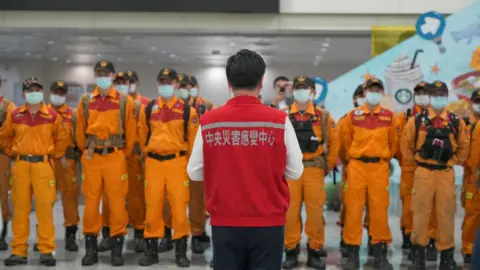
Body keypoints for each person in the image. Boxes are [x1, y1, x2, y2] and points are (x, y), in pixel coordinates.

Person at [187, 49, 304, 269]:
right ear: (261, 82)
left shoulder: (209, 121)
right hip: (268, 222)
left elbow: (194, 171)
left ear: (229, 84)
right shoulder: (279, 120)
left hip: (225, 222)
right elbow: (296, 171)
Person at [400, 81, 469, 270]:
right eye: (435, 94)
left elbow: (464, 146)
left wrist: (452, 160)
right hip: (423, 173)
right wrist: (418, 162)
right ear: (430, 97)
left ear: (446, 97)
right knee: (421, 213)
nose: (439, 98)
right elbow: (405, 146)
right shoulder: (416, 121)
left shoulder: (456, 121)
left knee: (446, 214)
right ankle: (418, 254)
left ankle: (446, 255)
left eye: (442, 94)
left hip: (445, 173)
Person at [1, 77, 68, 266]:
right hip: (21, 166)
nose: (34, 93)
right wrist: (13, 153)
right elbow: (4, 137)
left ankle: (46, 250)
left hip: (43, 167)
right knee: (20, 209)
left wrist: (53, 155)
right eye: (30, 90)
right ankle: (18, 251)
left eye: (38, 89)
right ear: (24, 94)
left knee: (45, 209)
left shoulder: (52, 116)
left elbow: (62, 139)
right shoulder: (14, 115)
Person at [76, 60, 136, 267]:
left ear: (112, 75)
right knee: (91, 203)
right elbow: (79, 133)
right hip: (92, 158)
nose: (103, 76)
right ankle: (90, 249)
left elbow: (131, 131)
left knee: (117, 202)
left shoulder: (123, 101)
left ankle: (116, 248)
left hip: (115, 157)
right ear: (95, 76)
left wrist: (120, 153)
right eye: (99, 73)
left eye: (106, 73)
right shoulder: (86, 101)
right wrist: (89, 150)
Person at [137, 68, 199, 267]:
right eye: (162, 82)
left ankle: (181, 251)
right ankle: (151, 250)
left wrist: (188, 165)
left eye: (169, 82)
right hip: (154, 163)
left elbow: (193, 140)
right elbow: (142, 134)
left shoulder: (188, 110)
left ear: (177, 85)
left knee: (179, 207)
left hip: (177, 163)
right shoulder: (148, 109)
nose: (165, 86)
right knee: (153, 206)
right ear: (158, 84)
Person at [281, 76, 339, 270]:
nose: (301, 92)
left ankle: (315, 251)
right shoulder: (284, 115)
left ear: (313, 92)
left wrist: (327, 166)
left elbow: (334, 142)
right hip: (291, 171)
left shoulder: (323, 116)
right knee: (290, 212)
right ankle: (291, 250)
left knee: (315, 212)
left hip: (314, 168)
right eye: (298, 88)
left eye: (305, 88)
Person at [340, 78, 397, 270]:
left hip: (379, 168)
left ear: (381, 93)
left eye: (377, 90)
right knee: (354, 210)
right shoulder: (353, 116)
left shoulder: (389, 117)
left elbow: (393, 143)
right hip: (357, 167)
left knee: (379, 211)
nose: (374, 93)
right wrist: (355, 159)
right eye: (371, 90)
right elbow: (346, 141)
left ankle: (380, 254)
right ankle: (352, 254)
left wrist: (381, 160)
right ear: (364, 93)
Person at [98, 71, 147, 253]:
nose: (122, 85)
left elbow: (144, 131)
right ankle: (108, 234)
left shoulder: (143, 104)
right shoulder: (111, 102)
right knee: (109, 197)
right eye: (117, 82)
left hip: (133, 156)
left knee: (135, 197)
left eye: (126, 82)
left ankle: (140, 234)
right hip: (112, 155)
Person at [396, 82, 438, 260]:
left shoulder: (438, 118)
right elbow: (398, 143)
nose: (422, 96)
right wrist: (406, 161)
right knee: (410, 205)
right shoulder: (405, 117)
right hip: (410, 168)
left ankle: (431, 239)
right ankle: (410, 236)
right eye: (419, 93)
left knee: (431, 206)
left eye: (425, 93)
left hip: (431, 169)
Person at [48, 80, 80, 252]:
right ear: (50, 92)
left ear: (66, 94)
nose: (58, 95)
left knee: (70, 200)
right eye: (56, 92)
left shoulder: (72, 115)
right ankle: (43, 237)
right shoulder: (42, 112)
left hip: (67, 163)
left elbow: (78, 139)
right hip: (46, 163)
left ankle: (71, 236)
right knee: (45, 200)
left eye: (61, 92)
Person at [337, 84, 365, 257]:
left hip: (374, 171)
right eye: (362, 95)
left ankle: (374, 239)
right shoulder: (346, 119)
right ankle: (347, 239)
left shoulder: (383, 118)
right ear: (355, 99)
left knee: (374, 206)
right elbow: (340, 145)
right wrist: (350, 162)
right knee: (349, 206)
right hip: (352, 169)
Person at [461, 89, 480, 264]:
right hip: (472, 177)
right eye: (477, 101)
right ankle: (468, 249)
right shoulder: (465, 124)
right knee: (472, 214)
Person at [0, 75, 16, 251]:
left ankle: (2, 234)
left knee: (2, 194)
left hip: (1, 157)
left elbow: (10, 132)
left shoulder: (7, 106)